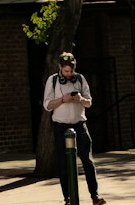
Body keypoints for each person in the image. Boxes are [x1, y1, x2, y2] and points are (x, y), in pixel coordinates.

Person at [43, 50, 105, 205]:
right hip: (60, 127)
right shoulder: (53, 81)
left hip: (80, 125)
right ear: (60, 67)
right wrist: (63, 100)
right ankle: (68, 198)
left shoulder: (81, 79)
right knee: (63, 164)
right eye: (66, 71)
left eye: (71, 71)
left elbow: (89, 103)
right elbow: (47, 105)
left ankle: (95, 196)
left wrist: (80, 99)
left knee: (88, 162)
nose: (69, 74)